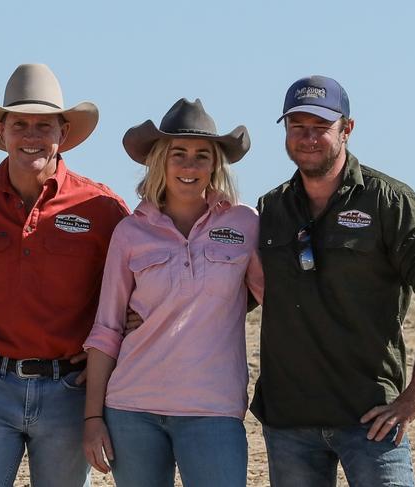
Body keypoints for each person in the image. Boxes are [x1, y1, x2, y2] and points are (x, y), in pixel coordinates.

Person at [0, 63, 129, 487]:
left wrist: (114, 342)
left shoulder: (101, 208)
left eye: (44, 125)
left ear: (64, 133)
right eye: (20, 124)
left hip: (69, 389)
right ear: (1, 131)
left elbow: (139, 283)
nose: (32, 136)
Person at [250, 75, 415, 486]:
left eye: (320, 127)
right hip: (288, 422)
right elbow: (231, 291)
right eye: (296, 126)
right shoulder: (270, 208)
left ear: (347, 129)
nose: (307, 138)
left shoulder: (389, 201)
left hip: (371, 419)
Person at [82, 98, 263, 487]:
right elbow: (107, 328)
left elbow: (280, 304)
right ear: (160, 161)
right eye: (178, 153)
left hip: (213, 409)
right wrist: (92, 417)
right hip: (131, 409)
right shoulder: (130, 232)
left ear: (215, 164)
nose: (189, 165)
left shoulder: (246, 224)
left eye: (202, 155)